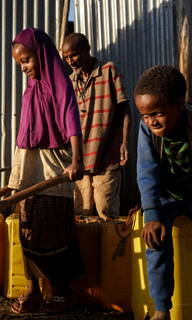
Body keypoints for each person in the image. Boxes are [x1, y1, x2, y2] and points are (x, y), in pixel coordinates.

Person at [7, 28, 85, 314]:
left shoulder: (59, 83)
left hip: (51, 165)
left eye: (26, 60)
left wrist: (76, 160)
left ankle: (63, 292)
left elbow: (71, 120)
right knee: (26, 227)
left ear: (40, 54)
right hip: (27, 165)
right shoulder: (31, 88)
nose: (24, 67)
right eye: (19, 64)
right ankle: (33, 290)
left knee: (51, 229)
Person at [135, 65, 192, 320]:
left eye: (157, 113)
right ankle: (161, 310)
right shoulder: (147, 130)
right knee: (156, 242)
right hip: (166, 197)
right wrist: (152, 214)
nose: (151, 121)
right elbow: (146, 172)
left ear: (180, 105)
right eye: (145, 115)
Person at [61, 33, 130, 221]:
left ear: (87, 49)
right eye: (66, 58)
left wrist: (124, 142)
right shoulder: (69, 82)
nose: (70, 61)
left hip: (107, 157)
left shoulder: (109, 71)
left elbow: (124, 109)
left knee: (107, 214)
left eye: (73, 55)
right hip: (79, 161)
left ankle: (112, 251)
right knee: (80, 215)